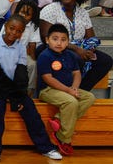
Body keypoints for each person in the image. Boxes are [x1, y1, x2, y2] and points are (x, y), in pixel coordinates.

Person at [0, 15, 62, 164]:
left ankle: (46, 147)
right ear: (6, 26)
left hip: (16, 89)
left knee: (32, 113)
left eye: (19, 31)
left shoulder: (20, 47)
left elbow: (21, 72)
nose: (14, 32)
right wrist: (15, 96)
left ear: (22, 33)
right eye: (12, 28)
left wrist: (19, 96)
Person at [38, 0, 113, 90]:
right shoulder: (50, 9)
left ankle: (81, 89)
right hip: (54, 47)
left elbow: (91, 37)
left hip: (81, 47)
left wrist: (89, 51)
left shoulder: (82, 12)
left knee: (105, 60)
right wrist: (77, 50)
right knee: (75, 57)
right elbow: (46, 38)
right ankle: (64, 90)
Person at [37, 23, 96, 156]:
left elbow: (76, 73)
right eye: (55, 39)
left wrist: (74, 87)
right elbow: (48, 79)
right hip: (48, 90)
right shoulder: (45, 56)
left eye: (63, 40)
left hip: (67, 89)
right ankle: (64, 139)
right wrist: (69, 91)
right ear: (47, 40)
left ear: (68, 42)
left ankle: (59, 119)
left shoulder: (70, 55)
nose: (59, 43)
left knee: (89, 97)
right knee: (71, 102)